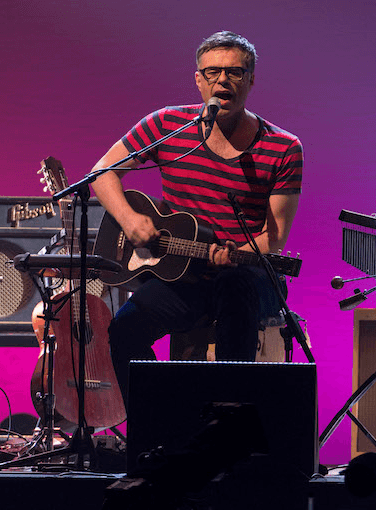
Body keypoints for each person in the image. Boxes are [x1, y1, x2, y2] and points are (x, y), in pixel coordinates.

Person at [90, 31, 303, 407]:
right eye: (212, 72)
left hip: (248, 273)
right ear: (198, 79)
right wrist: (129, 220)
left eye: (235, 73)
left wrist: (235, 253)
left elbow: (276, 238)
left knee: (235, 287)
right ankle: (156, 425)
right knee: (124, 329)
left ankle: (226, 424)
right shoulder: (168, 125)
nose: (222, 80)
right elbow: (102, 174)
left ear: (251, 80)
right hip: (182, 274)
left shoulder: (283, 147)